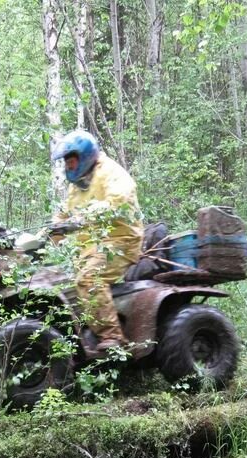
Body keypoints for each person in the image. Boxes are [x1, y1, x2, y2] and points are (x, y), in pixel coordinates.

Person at [49, 130, 144, 355]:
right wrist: (48, 233)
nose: (68, 166)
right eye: (66, 162)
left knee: (90, 278)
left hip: (121, 241)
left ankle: (112, 337)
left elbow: (115, 203)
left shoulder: (112, 174)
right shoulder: (79, 184)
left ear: (84, 156)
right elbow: (64, 213)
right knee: (61, 283)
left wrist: (77, 221)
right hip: (94, 247)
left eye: (71, 161)